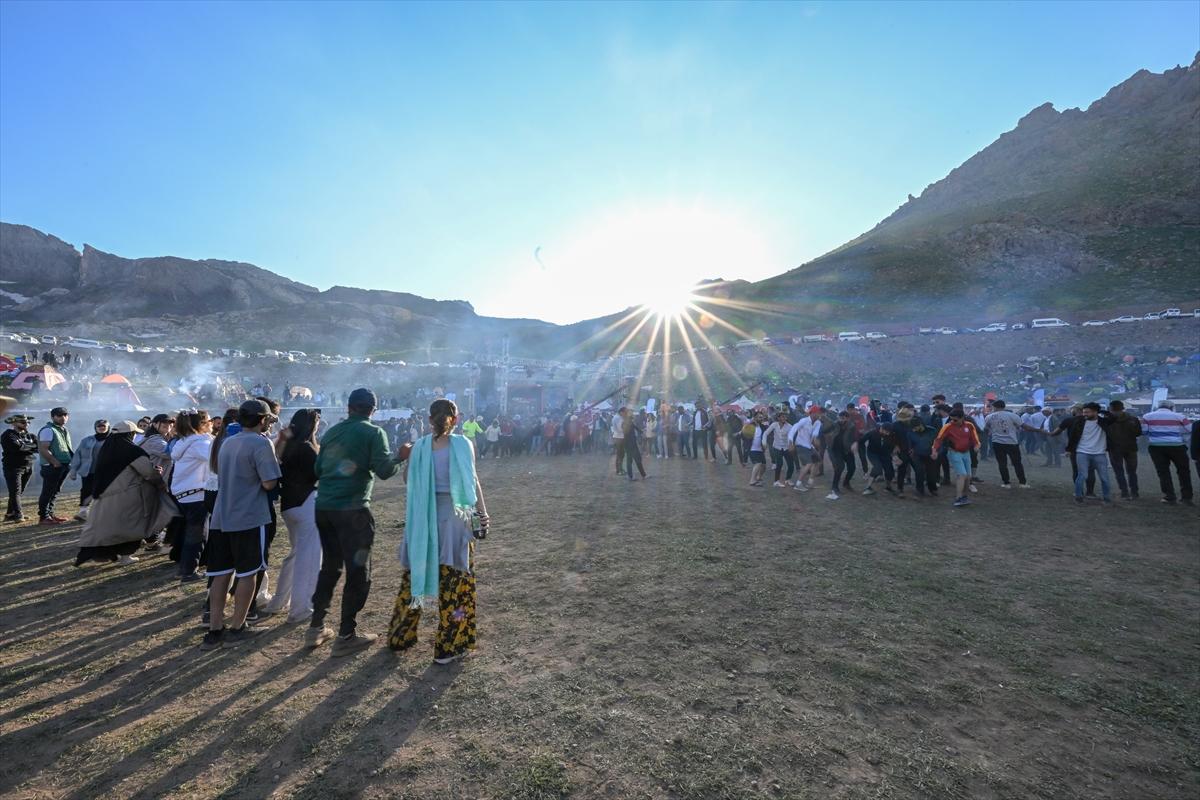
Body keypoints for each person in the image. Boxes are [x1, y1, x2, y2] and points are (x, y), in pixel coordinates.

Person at [389, 398, 489, 665]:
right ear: (455, 419)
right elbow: (472, 479)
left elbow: (408, 479)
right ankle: (449, 647)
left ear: (430, 419)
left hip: (424, 521)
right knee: (456, 582)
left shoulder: (420, 447)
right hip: (456, 520)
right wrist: (483, 513)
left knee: (414, 578)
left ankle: (400, 636)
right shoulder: (463, 444)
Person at [307, 388, 401, 656]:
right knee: (359, 572)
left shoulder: (332, 432)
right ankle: (346, 634)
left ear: (349, 407)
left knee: (331, 568)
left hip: (324, 508)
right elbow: (384, 471)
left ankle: (316, 628)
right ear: (373, 409)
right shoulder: (373, 433)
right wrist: (401, 457)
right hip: (353, 511)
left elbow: (317, 469)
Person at [202, 399, 282, 651]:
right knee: (248, 573)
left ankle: (215, 629)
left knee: (221, 573)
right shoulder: (260, 443)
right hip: (248, 516)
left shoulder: (227, 442)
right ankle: (237, 626)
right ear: (262, 420)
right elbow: (269, 483)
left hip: (221, 517)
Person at [76, 421, 177, 567]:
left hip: (105, 497)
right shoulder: (132, 451)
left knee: (109, 528)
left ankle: (106, 554)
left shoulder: (107, 449)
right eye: (134, 433)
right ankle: (125, 556)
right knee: (130, 527)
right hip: (129, 497)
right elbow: (147, 473)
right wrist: (157, 475)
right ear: (129, 434)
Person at [263, 408, 322, 623]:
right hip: (307, 504)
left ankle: (278, 602)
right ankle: (301, 610)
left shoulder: (288, 445)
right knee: (309, 560)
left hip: (289, 506)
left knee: (296, 555)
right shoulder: (307, 448)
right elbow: (321, 473)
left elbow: (275, 461)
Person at [170, 410, 213, 582]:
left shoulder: (185, 442)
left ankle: (187, 567)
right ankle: (188, 571)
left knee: (192, 532)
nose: (211, 423)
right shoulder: (199, 444)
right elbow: (217, 458)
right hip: (196, 494)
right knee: (197, 535)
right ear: (201, 424)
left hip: (185, 493)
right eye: (208, 420)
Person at [1142, 400, 1194, 506]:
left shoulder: (1147, 417)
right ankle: (1186, 497)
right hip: (1177, 446)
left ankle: (1169, 497)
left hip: (1156, 447)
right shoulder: (1180, 416)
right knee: (1183, 471)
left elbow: (1144, 432)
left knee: (1163, 472)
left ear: (1158, 407)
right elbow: (1190, 429)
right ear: (1171, 407)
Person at [1063, 402, 1115, 505]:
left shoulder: (1103, 422)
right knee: (1082, 475)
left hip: (1100, 453)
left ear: (1095, 412)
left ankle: (1107, 499)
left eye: (1087, 412)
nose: (1085, 414)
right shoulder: (1079, 421)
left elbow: (1114, 418)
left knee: (1104, 477)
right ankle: (1078, 497)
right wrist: (1069, 449)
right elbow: (1073, 436)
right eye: (1083, 412)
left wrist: (1101, 411)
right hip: (1082, 452)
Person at [932, 409, 980, 507]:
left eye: (955, 420)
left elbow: (975, 438)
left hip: (966, 453)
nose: (952, 421)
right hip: (954, 453)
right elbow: (938, 439)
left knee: (968, 477)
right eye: (951, 419)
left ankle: (964, 497)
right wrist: (934, 451)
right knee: (962, 475)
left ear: (962, 418)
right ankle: (958, 498)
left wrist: (976, 446)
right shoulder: (947, 427)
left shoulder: (969, 425)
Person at [37, 406, 73, 525]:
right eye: (59, 415)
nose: (63, 418)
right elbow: (43, 449)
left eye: (65, 415)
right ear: (53, 417)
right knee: (48, 491)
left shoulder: (63, 429)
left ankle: (50, 514)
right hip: (52, 466)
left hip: (63, 465)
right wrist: (54, 461)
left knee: (55, 491)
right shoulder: (48, 430)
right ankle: (44, 516)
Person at [984, 400, 1031, 489]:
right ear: (1004, 406)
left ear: (995, 407)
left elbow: (986, 428)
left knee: (1002, 463)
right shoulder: (1013, 416)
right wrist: (1038, 430)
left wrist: (990, 432)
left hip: (997, 442)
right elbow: (1024, 426)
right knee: (1017, 463)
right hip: (1012, 442)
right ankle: (1022, 483)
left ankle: (1006, 483)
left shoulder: (989, 417)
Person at [68, 419, 110, 519]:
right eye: (99, 426)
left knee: (104, 492)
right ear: (95, 428)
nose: (101, 428)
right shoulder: (87, 440)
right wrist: (73, 470)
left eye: (103, 426)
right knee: (86, 490)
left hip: (105, 472)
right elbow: (78, 455)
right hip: (88, 471)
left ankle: (103, 514)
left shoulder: (113, 440)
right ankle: (83, 512)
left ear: (108, 427)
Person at [2, 414, 38, 522]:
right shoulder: (8, 435)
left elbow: (38, 447)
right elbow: (15, 448)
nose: (26, 424)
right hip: (13, 467)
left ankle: (9, 514)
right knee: (15, 491)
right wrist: (30, 447)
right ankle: (18, 515)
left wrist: (25, 447)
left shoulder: (30, 436)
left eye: (27, 422)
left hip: (28, 465)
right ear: (14, 423)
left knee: (19, 491)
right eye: (22, 422)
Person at [1104, 400, 1142, 501]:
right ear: (1123, 408)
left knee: (1118, 471)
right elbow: (1138, 433)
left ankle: (1124, 492)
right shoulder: (1133, 419)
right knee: (1132, 471)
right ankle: (1134, 492)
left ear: (1110, 409)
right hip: (1131, 448)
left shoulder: (1107, 420)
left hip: (1114, 449)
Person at [824, 410, 858, 500]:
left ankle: (846, 483)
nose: (841, 420)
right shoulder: (835, 424)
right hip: (836, 449)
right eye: (839, 418)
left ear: (847, 418)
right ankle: (834, 487)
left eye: (843, 418)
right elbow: (825, 430)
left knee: (852, 468)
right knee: (840, 467)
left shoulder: (852, 426)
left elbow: (856, 437)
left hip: (847, 450)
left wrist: (855, 443)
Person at [764, 411, 794, 487]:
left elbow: (791, 437)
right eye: (783, 417)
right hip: (777, 447)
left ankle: (788, 479)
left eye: (785, 417)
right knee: (779, 464)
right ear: (778, 418)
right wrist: (764, 442)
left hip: (786, 447)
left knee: (791, 465)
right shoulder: (774, 425)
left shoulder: (789, 426)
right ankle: (776, 481)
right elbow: (766, 433)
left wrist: (791, 445)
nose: (784, 418)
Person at [621, 407, 647, 481]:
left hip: (630, 443)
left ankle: (639, 475)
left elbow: (635, 428)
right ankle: (633, 476)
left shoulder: (628, 421)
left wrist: (641, 432)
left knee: (634, 460)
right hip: (630, 444)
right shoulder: (626, 422)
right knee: (633, 460)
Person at [746, 411, 769, 487]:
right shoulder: (750, 426)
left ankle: (758, 477)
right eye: (759, 417)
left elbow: (767, 433)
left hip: (760, 449)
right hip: (752, 449)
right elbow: (743, 434)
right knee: (758, 463)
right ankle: (752, 480)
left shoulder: (763, 426)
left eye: (762, 417)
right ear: (755, 417)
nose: (761, 418)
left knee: (764, 466)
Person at [611, 408, 626, 475]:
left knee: (621, 454)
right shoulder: (618, 418)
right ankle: (619, 470)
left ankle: (620, 468)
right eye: (624, 412)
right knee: (620, 454)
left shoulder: (617, 417)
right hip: (619, 437)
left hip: (618, 437)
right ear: (621, 412)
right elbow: (620, 428)